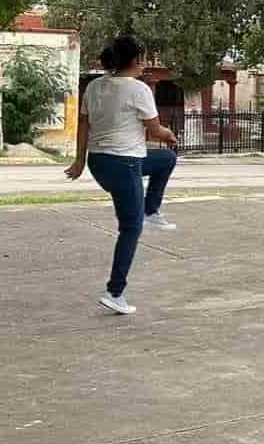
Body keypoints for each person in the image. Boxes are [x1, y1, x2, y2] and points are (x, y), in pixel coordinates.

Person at [65, 36, 180, 315]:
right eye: (145, 58)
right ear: (136, 59)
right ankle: (115, 292)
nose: (147, 64)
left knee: (165, 159)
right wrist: (169, 134)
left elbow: (84, 126)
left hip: (100, 163)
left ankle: (151, 210)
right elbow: (155, 131)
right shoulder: (139, 90)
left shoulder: (94, 86)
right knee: (130, 229)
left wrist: (80, 161)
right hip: (125, 164)